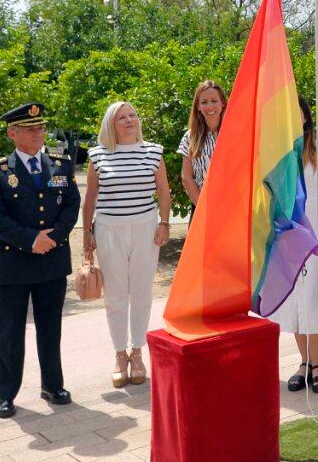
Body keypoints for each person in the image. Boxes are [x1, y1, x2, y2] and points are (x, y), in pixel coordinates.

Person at [0, 103, 81, 419]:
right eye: (30, 129)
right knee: (9, 331)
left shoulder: (60, 164)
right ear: (12, 133)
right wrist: (30, 239)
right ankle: (6, 394)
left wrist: (54, 236)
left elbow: (71, 205)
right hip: (14, 262)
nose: (38, 134)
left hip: (52, 257)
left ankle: (53, 385)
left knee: (51, 327)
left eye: (41, 128)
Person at [82, 101, 172, 388]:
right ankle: (120, 355)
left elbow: (163, 191)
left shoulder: (154, 151)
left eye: (132, 115)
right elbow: (91, 197)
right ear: (112, 124)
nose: (129, 120)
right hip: (109, 229)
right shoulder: (97, 155)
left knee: (142, 292)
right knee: (116, 295)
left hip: (146, 228)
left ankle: (137, 352)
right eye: (122, 117)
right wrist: (87, 233)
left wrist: (165, 223)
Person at [271, 97, 318, 393]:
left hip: (316, 235)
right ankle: (303, 362)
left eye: (296, 111)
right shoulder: (277, 150)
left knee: (316, 298)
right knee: (295, 301)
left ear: (305, 116)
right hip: (287, 237)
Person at [177, 81, 227, 210]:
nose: (210, 106)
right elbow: (187, 178)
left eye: (214, 101)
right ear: (198, 106)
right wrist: (203, 208)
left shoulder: (235, 133)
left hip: (234, 206)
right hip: (202, 206)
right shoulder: (190, 137)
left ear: (222, 103)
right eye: (204, 102)